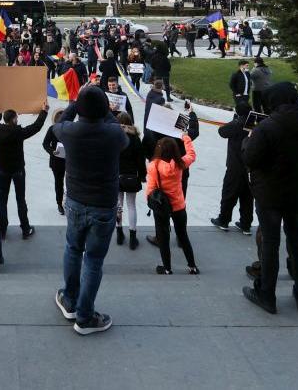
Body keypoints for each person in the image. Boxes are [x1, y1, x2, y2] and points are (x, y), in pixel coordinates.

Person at [242, 82, 298, 315]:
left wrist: (249, 140)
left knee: (271, 245)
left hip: (269, 193)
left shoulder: (267, 127)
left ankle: (267, 294)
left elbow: (250, 159)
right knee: (297, 243)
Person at [52, 85, 128, 336]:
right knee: (93, 260)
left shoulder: (70, 132)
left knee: (73, 249)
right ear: (104, 109)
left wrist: (75, 103)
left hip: (75, 200)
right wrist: (105, 111)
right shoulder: (114, 134)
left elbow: (58, 123)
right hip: (103, 205)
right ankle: (84, 317)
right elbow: (123, 137)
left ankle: (69, 299)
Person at [0, 101, 48, 239]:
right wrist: (44, 112)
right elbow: (36, 127)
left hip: (3, 170)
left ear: (4, 118)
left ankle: (2, 230)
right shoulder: (18, 132)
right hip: (18, 170)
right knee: (21, 200)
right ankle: (25, 229)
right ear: (14, 118)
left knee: (3, 199)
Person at [146, 136, 199, 275]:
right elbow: (192, 154)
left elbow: (150, 189)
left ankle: (167, 268)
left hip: (162, 206)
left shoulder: (153, 166)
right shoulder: (180, 163)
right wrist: (186, 137)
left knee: (163, 238)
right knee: (183, 236)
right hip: (178, 205)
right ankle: (192, 266)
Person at [212, 101, 254, 235]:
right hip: (250, 167)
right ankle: (246, 224)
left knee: (229, 194)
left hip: (235, 166)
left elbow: (222, 131)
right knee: (247, 197)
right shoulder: (255, 123)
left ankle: (223, 220)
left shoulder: (238, 123)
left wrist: (236, 120)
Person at [114, 112, 146, 249]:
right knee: (131, 205)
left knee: (118, 206)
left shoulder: (114, 137)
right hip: (132, 176)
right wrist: (143, 175)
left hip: (117, 176)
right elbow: (140, 160)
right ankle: (133, 237)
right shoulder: (135, 139)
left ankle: (119, 233)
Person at [42, 109, 68, 216]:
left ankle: (69, 202)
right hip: (57, 160)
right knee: (59, 183)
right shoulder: (52, 129)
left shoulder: (69, 129)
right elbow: (45, 143)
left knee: (71, 182)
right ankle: (59, 203)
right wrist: (52, 151)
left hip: (69, 160)